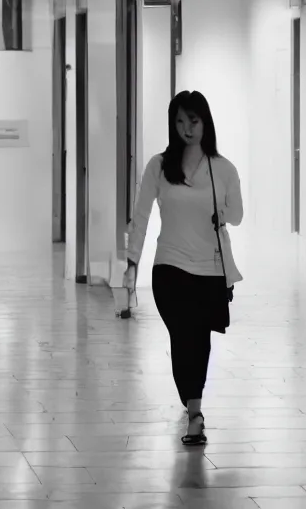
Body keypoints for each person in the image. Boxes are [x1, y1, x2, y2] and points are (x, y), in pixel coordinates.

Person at [124, 90, 243, 446]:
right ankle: (193, 407)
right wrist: (131, 262)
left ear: (205, 122)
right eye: (179, 121)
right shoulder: (159, 166)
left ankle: (194, 408)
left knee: (199, 340)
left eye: (193, 121)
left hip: (208, 269)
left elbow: (236, 216)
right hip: (170, 267)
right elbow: (141, 215)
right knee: (182, 335)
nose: (186, 129)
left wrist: (221, 213)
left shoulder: (223, 169)